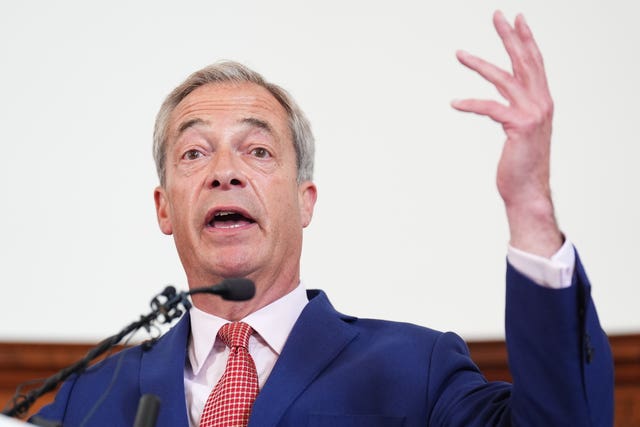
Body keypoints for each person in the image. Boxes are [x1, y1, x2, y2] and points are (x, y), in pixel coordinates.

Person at [35, 11, 613, 427]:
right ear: (164, 208)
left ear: (306, 199)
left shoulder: (417, 370)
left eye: (258, 151)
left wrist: (530, 205)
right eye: (194, 153)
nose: (224, 172)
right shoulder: (87, 398)